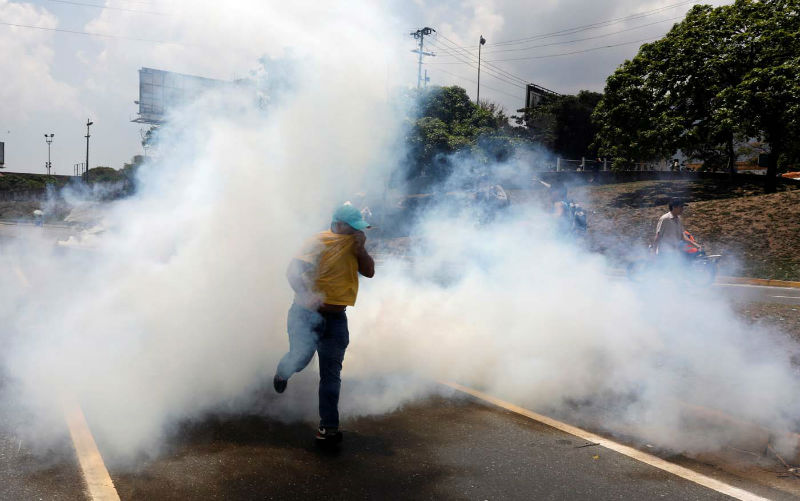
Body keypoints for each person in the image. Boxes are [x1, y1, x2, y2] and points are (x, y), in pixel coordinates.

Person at [273, 203, 375, 445]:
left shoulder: (354, 245)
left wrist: (361, 250)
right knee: (300, 359)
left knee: (331, 374)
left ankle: (328, 428)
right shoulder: (318, 241)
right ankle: (282, 372)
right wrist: (307, 295)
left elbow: (369, 272)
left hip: (336, 319)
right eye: (352, 228)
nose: (356, 232)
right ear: (338, 224)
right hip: (305, 315)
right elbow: (292, 272)